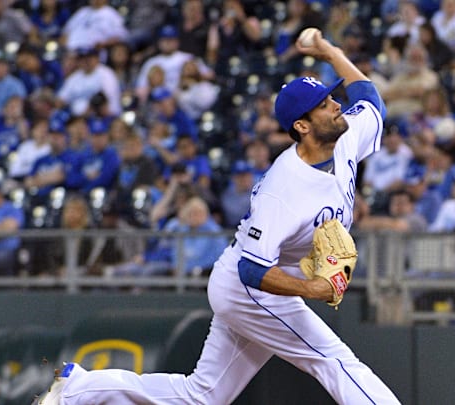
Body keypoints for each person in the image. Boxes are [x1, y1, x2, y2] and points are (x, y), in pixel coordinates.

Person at [34, 27, 400, 405]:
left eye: (331, 97)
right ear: (302, 126)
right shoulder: (284, 187)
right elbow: (253, 270)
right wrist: (312, 290)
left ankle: (78, 388)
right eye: (324, 104)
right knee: (333, 359)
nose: (336, 105)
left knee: (203, 396)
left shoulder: (346, 136)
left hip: (254, 282)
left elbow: (370, 98)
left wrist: (331, 51)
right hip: (248, 289)